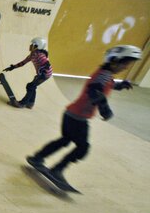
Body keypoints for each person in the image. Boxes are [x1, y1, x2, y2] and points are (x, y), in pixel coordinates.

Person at [26, 45, 142, 185]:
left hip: (71, 114)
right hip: (78, 118)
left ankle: (37, 157)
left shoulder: (105, 75)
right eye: (124, 64)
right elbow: (94, 91)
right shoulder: (104, 75)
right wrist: (105, 109)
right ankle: (57, 169)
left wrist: (120, 85)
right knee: (82, 148)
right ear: (114, 60)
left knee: (65, 140)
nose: (125, 67)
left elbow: (106, 84)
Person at [3, 37, 53, 108]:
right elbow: (23, 62)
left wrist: (42, 73)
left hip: (45, 74)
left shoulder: (39, 55)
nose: (30, 46)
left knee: (31, 86)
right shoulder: (33, 54)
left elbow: (46, 63)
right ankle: (30, 103)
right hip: (43, 73)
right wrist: (13, 67)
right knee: (32, 86)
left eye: (32, 45)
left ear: (37, 46)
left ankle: (22, 103)